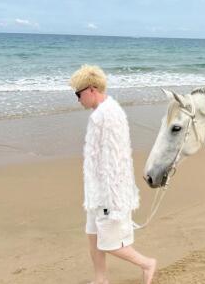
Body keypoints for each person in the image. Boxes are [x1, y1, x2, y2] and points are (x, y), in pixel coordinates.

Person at [70, 65, 156, 284]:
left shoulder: (106, 115)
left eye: (78, 94)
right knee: (93, 235)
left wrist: (112, 200)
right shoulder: (102, 112)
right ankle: (100, 279)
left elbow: (114, 162)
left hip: (109, 193)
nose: (78, 100)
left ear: (91, 89)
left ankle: (147, 264)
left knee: (109, 243)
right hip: (96, 191)